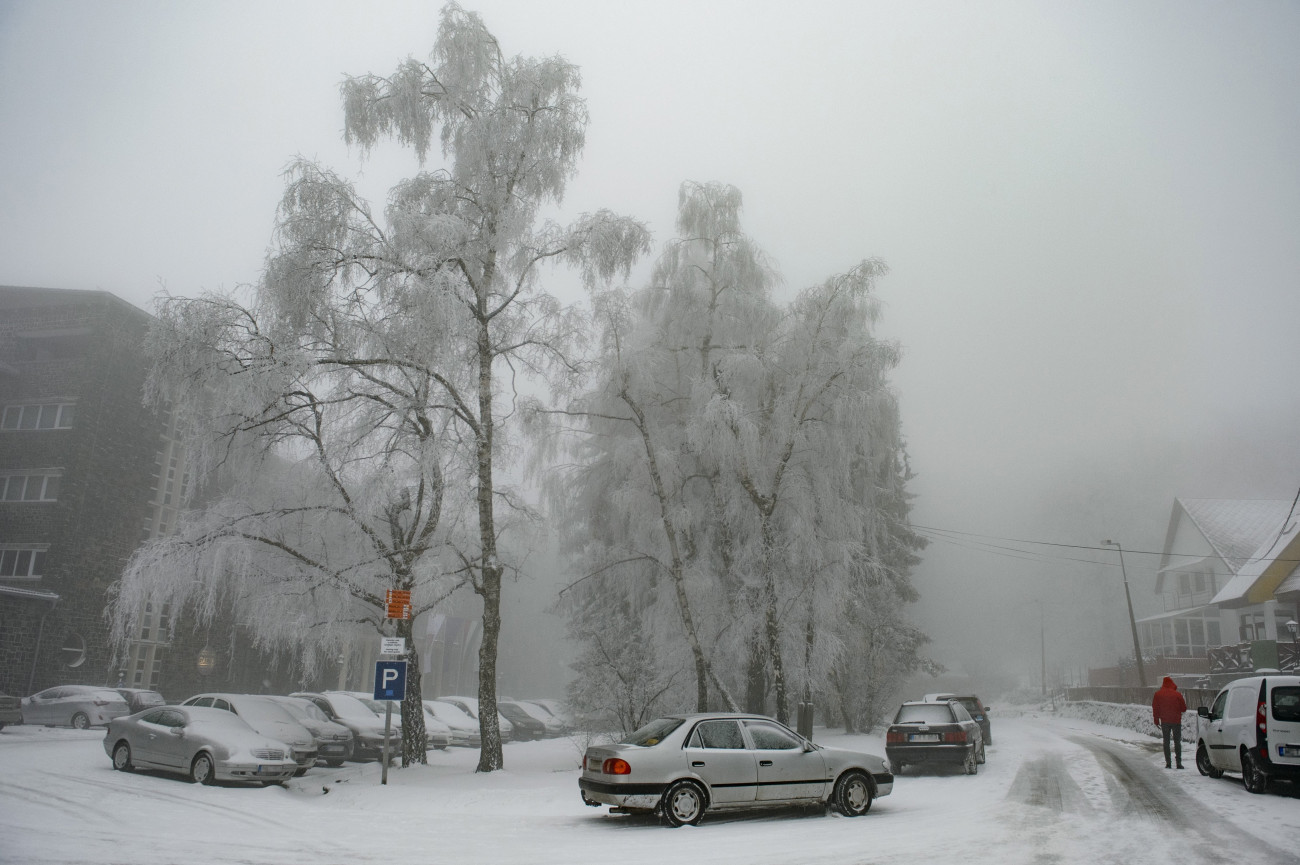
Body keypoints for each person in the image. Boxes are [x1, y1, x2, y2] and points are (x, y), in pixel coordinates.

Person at [1151, 676, 1188, 769]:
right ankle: (1179, 763)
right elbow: (1184, 708)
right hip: (1176, 721)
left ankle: (1168, 763)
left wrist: (1156, 720)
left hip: (1165, 721)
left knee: (1166, 742)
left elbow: (1155, 708)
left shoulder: (1158, 694)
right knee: (1177, 742)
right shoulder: (1177, 695)